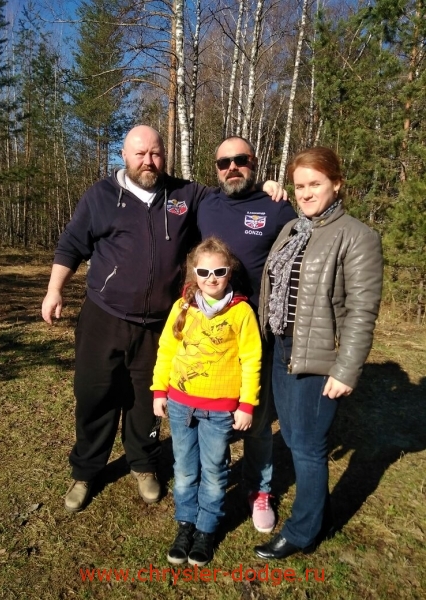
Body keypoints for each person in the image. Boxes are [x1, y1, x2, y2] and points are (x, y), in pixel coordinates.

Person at [41, 125, 285, 513]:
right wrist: (55, 289)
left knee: (146, 400)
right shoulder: (101, 196)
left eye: (155, 153)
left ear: (164, 156)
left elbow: (233, 191)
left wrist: (266, 187)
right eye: (140, 154)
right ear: (124, 155)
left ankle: (143, 465)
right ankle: (86, 471)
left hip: (158, 323)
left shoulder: (186, 195)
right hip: (104, 315)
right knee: (95, 395)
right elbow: (72, 244)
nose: (148, 161)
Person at [254, 146, 383, 560]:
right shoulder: (292, 229)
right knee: (294, 437)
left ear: (337, 184)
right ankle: (318, 516)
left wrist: (346, 369)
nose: (306, 193)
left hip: (318, 353)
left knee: (308, 446)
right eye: (299, 186)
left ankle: (304, 532)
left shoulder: (357, 236)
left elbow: (362, 311)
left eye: (315, 184)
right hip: (282, 347)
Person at [197, 136, 297, 533]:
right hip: (212, 333)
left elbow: (305, 250)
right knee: (214, 413)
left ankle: (260, 489)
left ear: (254, 163)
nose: (232, 168)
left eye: (240, 160)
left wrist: (277, 187)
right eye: (224, 162)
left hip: (258, 332)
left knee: (254, 417)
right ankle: (213, 481)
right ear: (216, 168)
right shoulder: (205, 203)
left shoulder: (276, 207)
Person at [152, 237, 262, 566]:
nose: (211, 278)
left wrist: (246, 404)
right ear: (194, 274)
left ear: (230, 273)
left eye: (219, 271)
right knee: (185, 471)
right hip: (181, 405)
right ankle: (185, 525)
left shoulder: (241, 312)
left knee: (214, 472)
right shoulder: (182, 307)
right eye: (203, 272)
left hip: (220, 411)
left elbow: (251, 359)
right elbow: (166, 351)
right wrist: (159, 391)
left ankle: (206, 529)